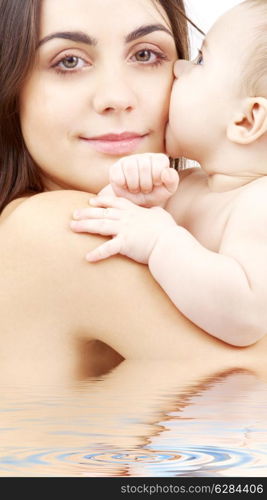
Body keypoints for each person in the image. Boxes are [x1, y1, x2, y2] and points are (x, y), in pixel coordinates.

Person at [0, 0, 266, 385]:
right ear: (12, 86)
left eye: (145, 54)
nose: (116, 96)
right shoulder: (52, 229)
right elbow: (249, 388)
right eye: (69, 61)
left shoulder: (188, 200)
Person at [70, 0, 267, 348]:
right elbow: (106, 221)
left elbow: (246, 318)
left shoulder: (259, 204)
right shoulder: (188, 183)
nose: (178, 68)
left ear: (246, 120)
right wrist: (133, 194)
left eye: (202, 61)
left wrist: (161, 240)